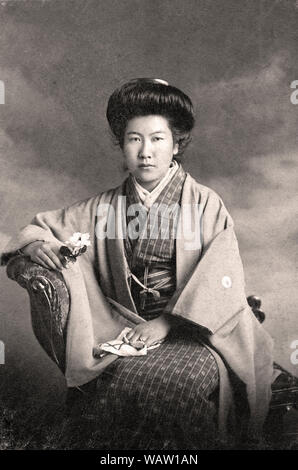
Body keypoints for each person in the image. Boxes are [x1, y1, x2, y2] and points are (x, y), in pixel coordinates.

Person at [2, 78, 275, 449]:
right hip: (126, 327)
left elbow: (219, 275)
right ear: (122, 145)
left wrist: (164, 323)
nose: (145, 152)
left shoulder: (205, 204)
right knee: (124, 380)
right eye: (134, 139)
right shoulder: (104, 207)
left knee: (176, 386)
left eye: (158, 139)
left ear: (176, 144)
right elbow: (42, 228)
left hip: (196, 331)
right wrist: (35, 248)